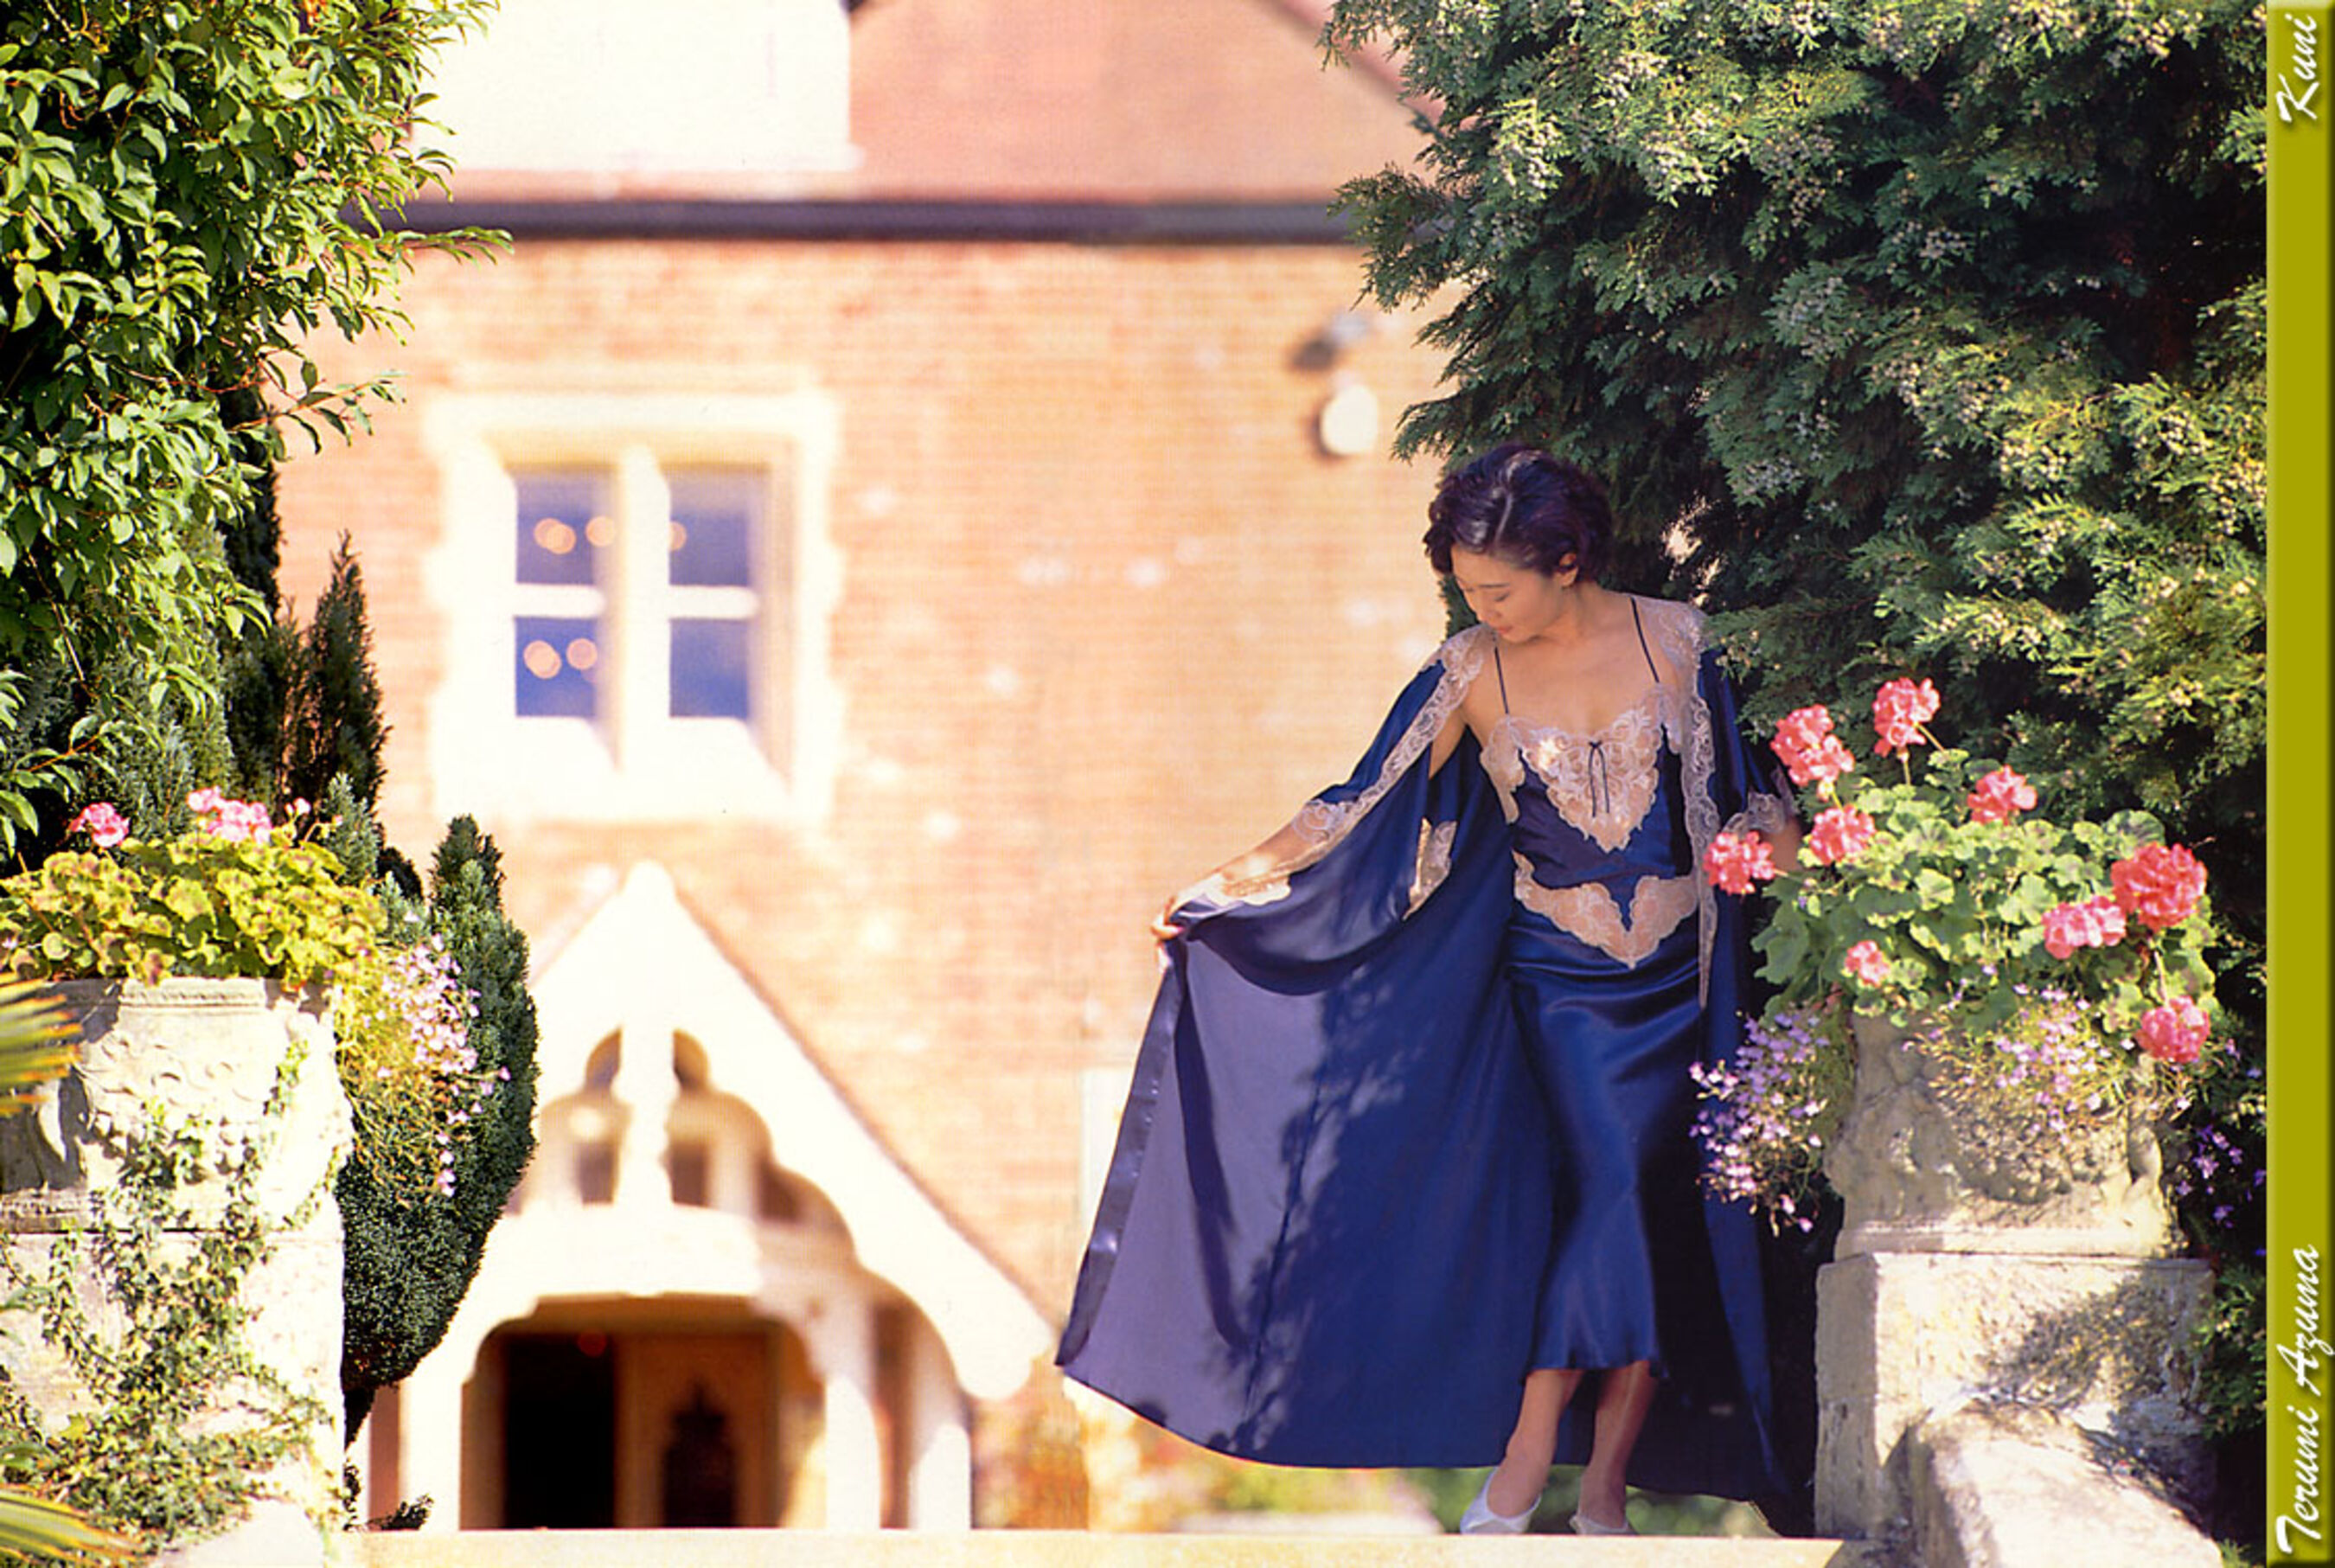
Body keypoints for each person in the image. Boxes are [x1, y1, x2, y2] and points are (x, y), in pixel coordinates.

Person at [1057, 445, 1803, 1535]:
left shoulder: (1682, 639)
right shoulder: (1468, 671)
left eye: (1499, 588)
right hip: (1561, 989)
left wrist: (1796, 861)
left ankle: (1603, 1488)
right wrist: (1232, 880)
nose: (1482, 608)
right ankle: (1529, 1460)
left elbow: (1754, 796)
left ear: (1568, 561)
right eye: (1467, 587)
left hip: (1683, 985)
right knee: (1611, 1186)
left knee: (1652, 1211)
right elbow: (1356, 806)